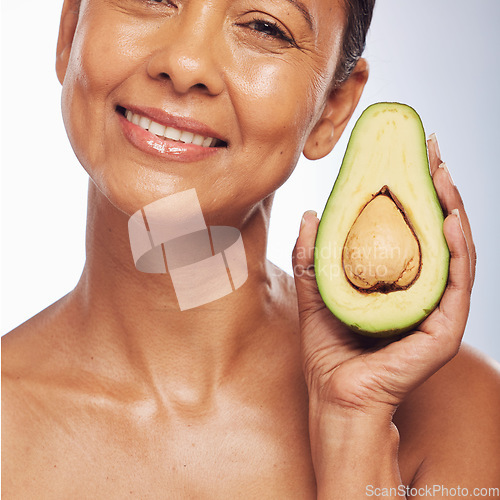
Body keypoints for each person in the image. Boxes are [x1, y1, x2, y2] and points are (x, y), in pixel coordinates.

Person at [2, 0, 499, 498]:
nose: (185, 63)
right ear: (71, 29)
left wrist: (355, 431)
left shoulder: (461, 415)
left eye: (265, 26)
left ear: (331, 109)